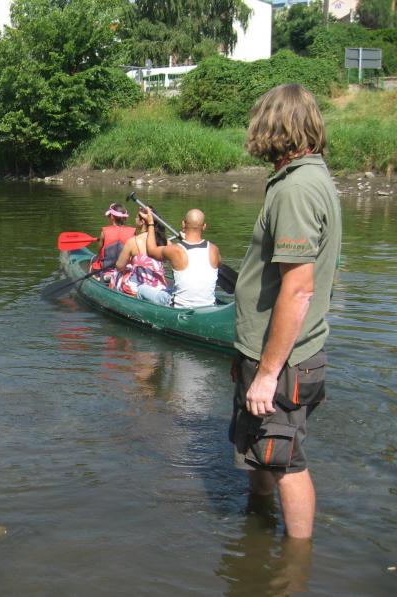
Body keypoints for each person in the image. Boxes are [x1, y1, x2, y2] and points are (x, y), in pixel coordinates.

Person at [229, 83, 342, 540]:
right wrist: (247, 355)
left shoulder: (296, 189)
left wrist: (267, 373)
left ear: (274, 127)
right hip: (268, 353)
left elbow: (297, 291)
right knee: (262, 454)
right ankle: (256, 536)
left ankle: (295, 566)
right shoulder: (303, 179)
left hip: (284, 361)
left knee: (286, 463)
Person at [136, 208, 221, 308]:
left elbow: (151, 251)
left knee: (141, 289)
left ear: (183, 224)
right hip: (209, 305)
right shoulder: (214, 250)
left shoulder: (175, 250)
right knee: (170, 289)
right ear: (204, 227)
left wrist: (150, 223)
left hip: (180, 307)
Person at [111, 208, 168, 297]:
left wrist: (129, 263)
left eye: (137, 217)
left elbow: (119, 266)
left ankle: (113, 294)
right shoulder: (166, 242)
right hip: (159, 287)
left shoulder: (132, 241)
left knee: (116, 273)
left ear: (142, 222)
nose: (135, 219)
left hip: (136, 288)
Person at [91, 203, 135, 277]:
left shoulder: (104, 232)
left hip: (106, 269)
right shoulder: (132, 233)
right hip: (125, 271)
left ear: (112, 217)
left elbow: (99, 252)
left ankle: (95, 277)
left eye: (109, 216)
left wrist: (102, 240)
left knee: (94, 259)